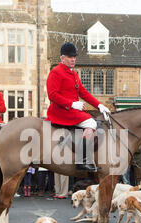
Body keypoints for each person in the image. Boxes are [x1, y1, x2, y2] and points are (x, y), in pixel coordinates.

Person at [46, 42, 111, 172]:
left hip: (72, 110)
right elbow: (52, 95)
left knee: (94, 119)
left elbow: (83, 92)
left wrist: (99, 105)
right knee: (91, 123)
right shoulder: (56, 72)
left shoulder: (74, 74)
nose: (73, 59)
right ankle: (82, 161)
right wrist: (71, 104)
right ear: (62, 58)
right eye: (70, 57)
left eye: (74, 57)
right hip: (61, 111)